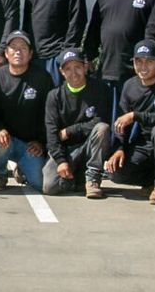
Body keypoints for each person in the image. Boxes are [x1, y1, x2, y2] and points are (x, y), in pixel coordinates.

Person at [104, 40, 155, 204]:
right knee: (115, 172)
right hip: (144, 144)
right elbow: (121, 122)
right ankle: (150, 182)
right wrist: (119, 148)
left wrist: (136, 116)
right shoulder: (129, 86)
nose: (143, 66)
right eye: (138, 61)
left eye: (149, 61)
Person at [0, 31, 52, 193]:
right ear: (6, 53)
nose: (18, 52)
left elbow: (50, 115)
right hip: (3, 140)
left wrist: (41, 142)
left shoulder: (42, 78)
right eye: (13, 48)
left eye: (23, 48)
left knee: (39, 183)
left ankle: (21, 169)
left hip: (29, 144)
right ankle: (0, 174)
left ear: (30, 54)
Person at [43, 49, 113, 198]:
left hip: (88, 146)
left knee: (102, 129)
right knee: (50, 187)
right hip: (66, 149)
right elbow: (52, 132)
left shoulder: (100, 89)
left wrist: (69, 131)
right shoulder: (54, 96)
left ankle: (93, 179)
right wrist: (61, 161)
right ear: (62, 71)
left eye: (77, 67)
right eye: (68, 68)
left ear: (85, 67)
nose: (73, 73)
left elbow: (100, 120)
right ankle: (76, 177)